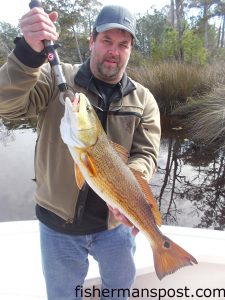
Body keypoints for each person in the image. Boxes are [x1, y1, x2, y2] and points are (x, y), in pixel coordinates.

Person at [0, 4, 161, 300]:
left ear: (131, 49)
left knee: (119, 295)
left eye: (123, 44)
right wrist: (26, 54)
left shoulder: (144, 100)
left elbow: (147, 154)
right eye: (106, 41)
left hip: (117, 227)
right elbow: (6, 105)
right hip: (57, 227)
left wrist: (130, 182)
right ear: (91, 41)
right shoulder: (54, 79)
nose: (114, 50)